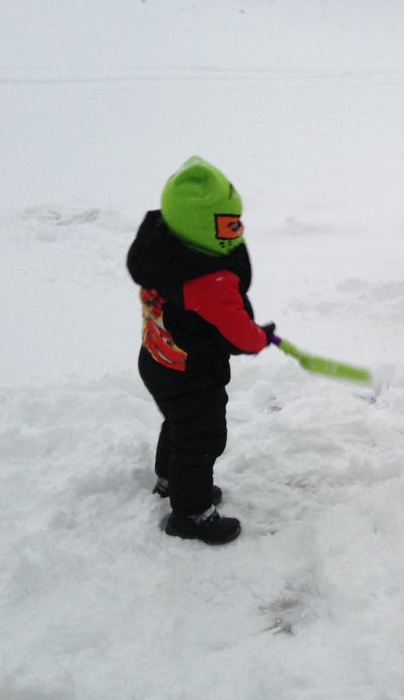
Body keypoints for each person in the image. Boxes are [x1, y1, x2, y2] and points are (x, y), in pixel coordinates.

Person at [127, 156, 276, 545]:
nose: (238, 231)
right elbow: (239, 334)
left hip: (158, 361)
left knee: (178, 422)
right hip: (191, 372)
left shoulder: (165, 254)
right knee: (202, 436)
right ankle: (190, 514)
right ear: (198, 228)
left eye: (238, 221)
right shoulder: (210, 281)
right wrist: (261, 338)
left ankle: (170, 480)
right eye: (229, 224)